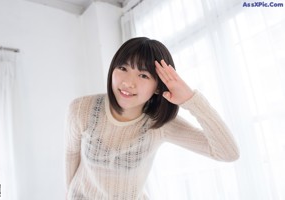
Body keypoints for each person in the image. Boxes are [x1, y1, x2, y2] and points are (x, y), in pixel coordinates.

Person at [65, 37, 239, 200]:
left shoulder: (159, 124)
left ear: (158, 86)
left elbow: (228, 153)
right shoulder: (82, 109)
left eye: (143, 75)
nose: (128, 82)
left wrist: (191, 100)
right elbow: (72, 153)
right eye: (123, 68)